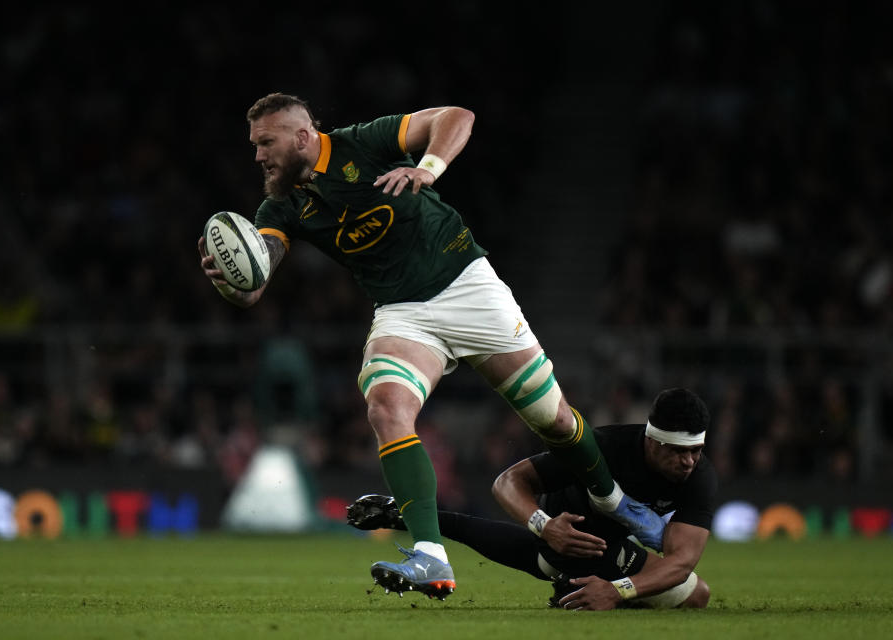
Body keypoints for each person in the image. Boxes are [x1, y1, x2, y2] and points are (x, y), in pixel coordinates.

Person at [197, 93, 665, 600]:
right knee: (386, 407)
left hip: (466, 284)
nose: (258, 156)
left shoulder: (363, 143)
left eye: (266, 143)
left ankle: (613, 498)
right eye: (255, 146)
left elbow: (457, 117)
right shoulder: (280, 206)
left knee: (552, 420)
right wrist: (233, 282)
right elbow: (258, 273)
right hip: (403, 314)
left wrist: (429, 167)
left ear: (303, 137)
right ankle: (431, 556)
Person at [348, 388, 716, 609]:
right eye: (678, 451)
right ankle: (574, 581)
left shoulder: (698, 476)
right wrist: (544, 524)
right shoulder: (603, 447)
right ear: (652, 440)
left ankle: (408, 516)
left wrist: (617, 591)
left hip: (584, 550)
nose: (689, 461)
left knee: (543, 560)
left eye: (696, 451)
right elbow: (508, 482)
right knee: (695, 595)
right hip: (571, 534)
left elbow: (681, 560)